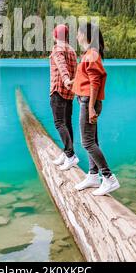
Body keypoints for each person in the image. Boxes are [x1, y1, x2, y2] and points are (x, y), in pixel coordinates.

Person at [72, 22, 120, 196]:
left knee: (87, 142)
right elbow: (86, 78)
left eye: (78, 33)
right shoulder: (89, 54)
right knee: (93, 141)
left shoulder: (92, 54)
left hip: (88, 102)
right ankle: (93, 176)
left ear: (86, 35)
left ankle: (109, 178)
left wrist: (91, 107)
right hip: (85, 101)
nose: (77, 36)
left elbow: (95, 82)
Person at [50, 24, 79, 171]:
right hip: (69, 93)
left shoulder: (57, 48)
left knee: (59, 123)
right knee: (67, 123)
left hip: (59, 90)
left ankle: (70, 155)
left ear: (55, 36)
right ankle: (66, 152)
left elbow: (62, 66)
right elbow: (76, 69)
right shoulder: (72, 50)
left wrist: (66, 80)